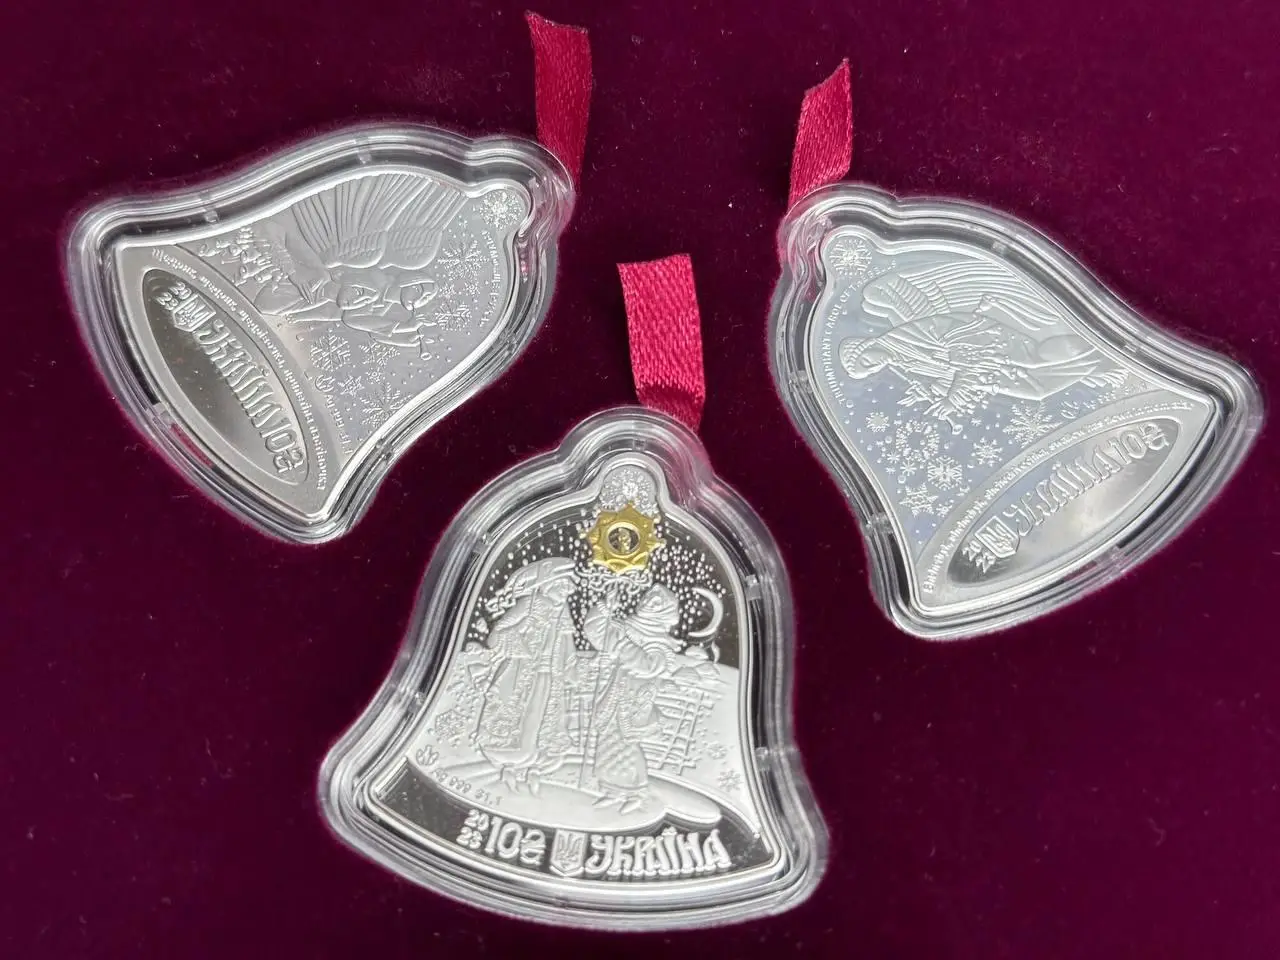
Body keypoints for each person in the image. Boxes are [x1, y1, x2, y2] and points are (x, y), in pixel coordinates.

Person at [475, 558, 578, 792]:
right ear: (548, 584)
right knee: (518, 713)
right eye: (562, 585)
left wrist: (571, 667)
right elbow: (497, 634)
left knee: (547, 716)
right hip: (522, 671)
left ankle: (538, 764)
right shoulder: (529, 604)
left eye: (568, 586)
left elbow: (567, 642)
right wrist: (521, 636)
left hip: (551, 675)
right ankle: (509, 762)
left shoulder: (562, 611)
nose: (567, 590)